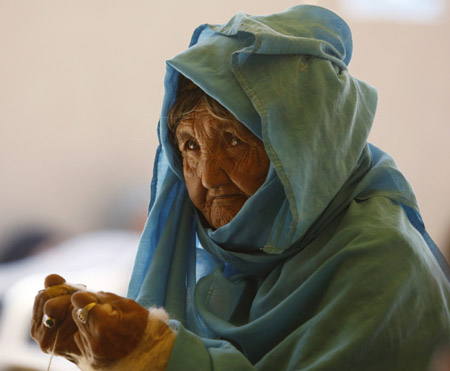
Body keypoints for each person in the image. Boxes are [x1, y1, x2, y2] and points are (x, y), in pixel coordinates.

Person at [31, 4, 450, 370]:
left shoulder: (381, 264)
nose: (208, 177)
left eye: (235, 141)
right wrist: (99, 345)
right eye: (190, 146)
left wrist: (157, 354)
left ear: (307, 149)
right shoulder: (227, 268)